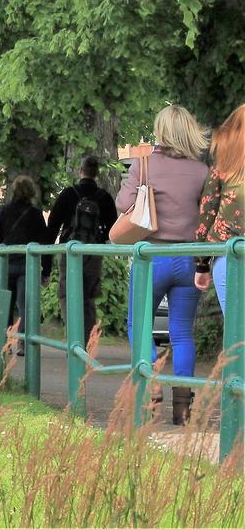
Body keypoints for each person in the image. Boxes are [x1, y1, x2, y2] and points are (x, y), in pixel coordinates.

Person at [117, 105, 209, 425]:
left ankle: (151, 388)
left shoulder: (144, 166)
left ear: (161, 132)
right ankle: (183, 407)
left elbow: (123, 204)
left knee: (137, 325)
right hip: (189, 258)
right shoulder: (201, 171)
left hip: (152, 258)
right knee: (182, 332)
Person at [47, 156, 119, 337]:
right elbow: (113, 228)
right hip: (93, 252)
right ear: (97, 173)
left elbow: (53, 223)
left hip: (69, 251)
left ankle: (73, 337)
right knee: (88, 298)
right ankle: (87, 341)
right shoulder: (104, 198)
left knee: (66, 294)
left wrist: (46, 255)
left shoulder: (68, 194)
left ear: (81, 171)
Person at [0, 175, 53, 355]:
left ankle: (7, 343)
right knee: (26, 306)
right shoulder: (35, 214)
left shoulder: (4, 211)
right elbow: (45, 242)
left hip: (6, 263)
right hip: (27, 265)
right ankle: (23, 343)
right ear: (31, 192)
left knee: (5, 305)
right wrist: (46, 271)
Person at [195, 104, 245, 315]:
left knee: (236, 332)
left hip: (230, 255)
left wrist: (202, 265)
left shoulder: (222, 168)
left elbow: (207, 215)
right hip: (229, 254)